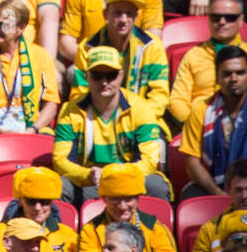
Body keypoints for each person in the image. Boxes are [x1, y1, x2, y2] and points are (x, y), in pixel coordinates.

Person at [53, 46, 168, 205]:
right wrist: (87, 175)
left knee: (157, 185)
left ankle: (156, 229)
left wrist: (115, 175)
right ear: (87, 77)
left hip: (129, 179)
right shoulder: (69, 111)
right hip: (91, 183)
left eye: (111, 75)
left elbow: (149, 161)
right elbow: (61, 161)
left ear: (121, 75)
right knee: (61, 186)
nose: (104, 82)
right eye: (97, 75)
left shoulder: (142, 108)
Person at [180, 45, 247, 198]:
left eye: (240, 73)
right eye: (227, 74)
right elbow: (192, 163)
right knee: (190, 196)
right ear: (217, 78)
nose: (234, 79)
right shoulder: (201, 111)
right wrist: (220, 195)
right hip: (215, 186)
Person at [167, 0, 247, 131]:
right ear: (208, 20)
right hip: (200, 129)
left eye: (230, 18)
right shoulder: (193, 55)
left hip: (245, 130)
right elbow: (177, 101)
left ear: (241, 20)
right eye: (216, 18)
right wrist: (198, 127)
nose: (222, 22)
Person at [0, 0, 60, 137]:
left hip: (32, 128)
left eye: (3, 25)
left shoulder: (40, 56)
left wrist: (32, 129)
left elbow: (51, 103)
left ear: (20, 28)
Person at [71, 0, 169, 121]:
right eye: (117, 13)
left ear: (137, 16)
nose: (123, 20)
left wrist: (134, 120)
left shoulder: (152, 47)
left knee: (158, 142)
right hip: (98, 122)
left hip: (142, 121)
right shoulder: (87, 48)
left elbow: (159, 96)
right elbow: (79, 95)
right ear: (105, 14)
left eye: (129, 14)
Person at [77, 163, 178, 252]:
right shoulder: (90, 232)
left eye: (128, 199)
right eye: (115, 199)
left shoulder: (157, 230)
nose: (122, 206)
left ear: (138, 198)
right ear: (104, 199)